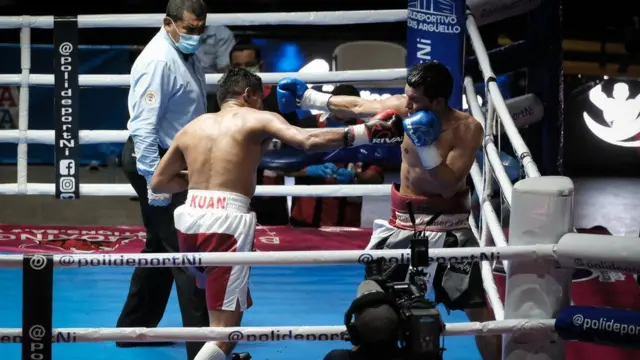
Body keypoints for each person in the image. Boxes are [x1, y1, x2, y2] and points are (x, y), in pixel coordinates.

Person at [148, 67, 404, 360]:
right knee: (224, 334)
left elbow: (159, 182)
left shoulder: (192, 127)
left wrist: (198, 177)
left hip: (188, 218)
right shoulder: (258, 118)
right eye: (259, 99)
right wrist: (366, 132)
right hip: (225, 224)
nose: (261, 105)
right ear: (249, 95)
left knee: (226, 315)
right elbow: (307, 141)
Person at [276, 61, 501, 360]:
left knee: (477, 309)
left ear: (437, 101)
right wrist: (310, 98)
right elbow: (357, 105)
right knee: (374, 303)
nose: (407, 104)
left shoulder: (466, 128)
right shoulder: (404, 108)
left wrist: (426, 146)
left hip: (449, 228)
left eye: (415, 99)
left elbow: (447, 185)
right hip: (402, 225)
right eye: (407, 95)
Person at [117, 1, 209, 359]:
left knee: (160, 245)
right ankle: (204, 346)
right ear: (168, 23)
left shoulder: (182, 52)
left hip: (173, 159)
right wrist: (155, 179)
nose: (196, 35)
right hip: (155, 159)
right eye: (190, 28)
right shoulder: (158, 60)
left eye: (201, 29)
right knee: (186, 249)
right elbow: (143, 127)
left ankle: (133, 329)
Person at [223, 38, 295, 225]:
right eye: (238, 66)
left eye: (249, 65)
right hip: (232, 192)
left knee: (274, 247)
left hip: (272, 193)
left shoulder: (280, 101)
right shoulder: (221, 102)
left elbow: (294, 147)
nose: (244, 70)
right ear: (230, 69)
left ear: (260, 66)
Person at [290, 84, 384, 227]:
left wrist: (356, 177)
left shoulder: (369, 131)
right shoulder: (308, 125)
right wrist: (309, 170)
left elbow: (377, 176)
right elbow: (286, 167)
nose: (346, 111)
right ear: (332, 104)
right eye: (342, 106)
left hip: (347, 219)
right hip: (306, 217)